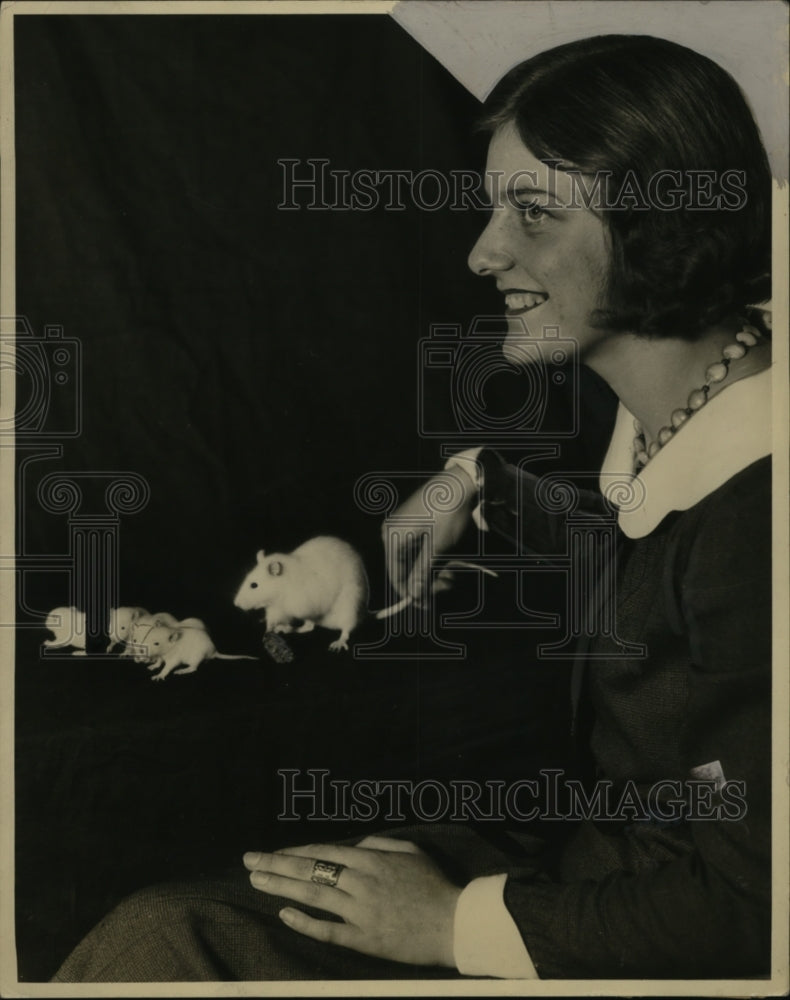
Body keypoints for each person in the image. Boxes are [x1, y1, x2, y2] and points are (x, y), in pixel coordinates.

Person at [52, 33, 773, 981]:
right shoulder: (683, 411)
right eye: (493, 209)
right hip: (585, 858)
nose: (483, 253)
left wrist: (449, 926)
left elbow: (754, 913)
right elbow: (641, 548)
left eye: (533, 214)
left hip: (639, 919)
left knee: (168, 947)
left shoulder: (762, 528)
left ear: (660, 223)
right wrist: (476, 479)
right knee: (174, 931)